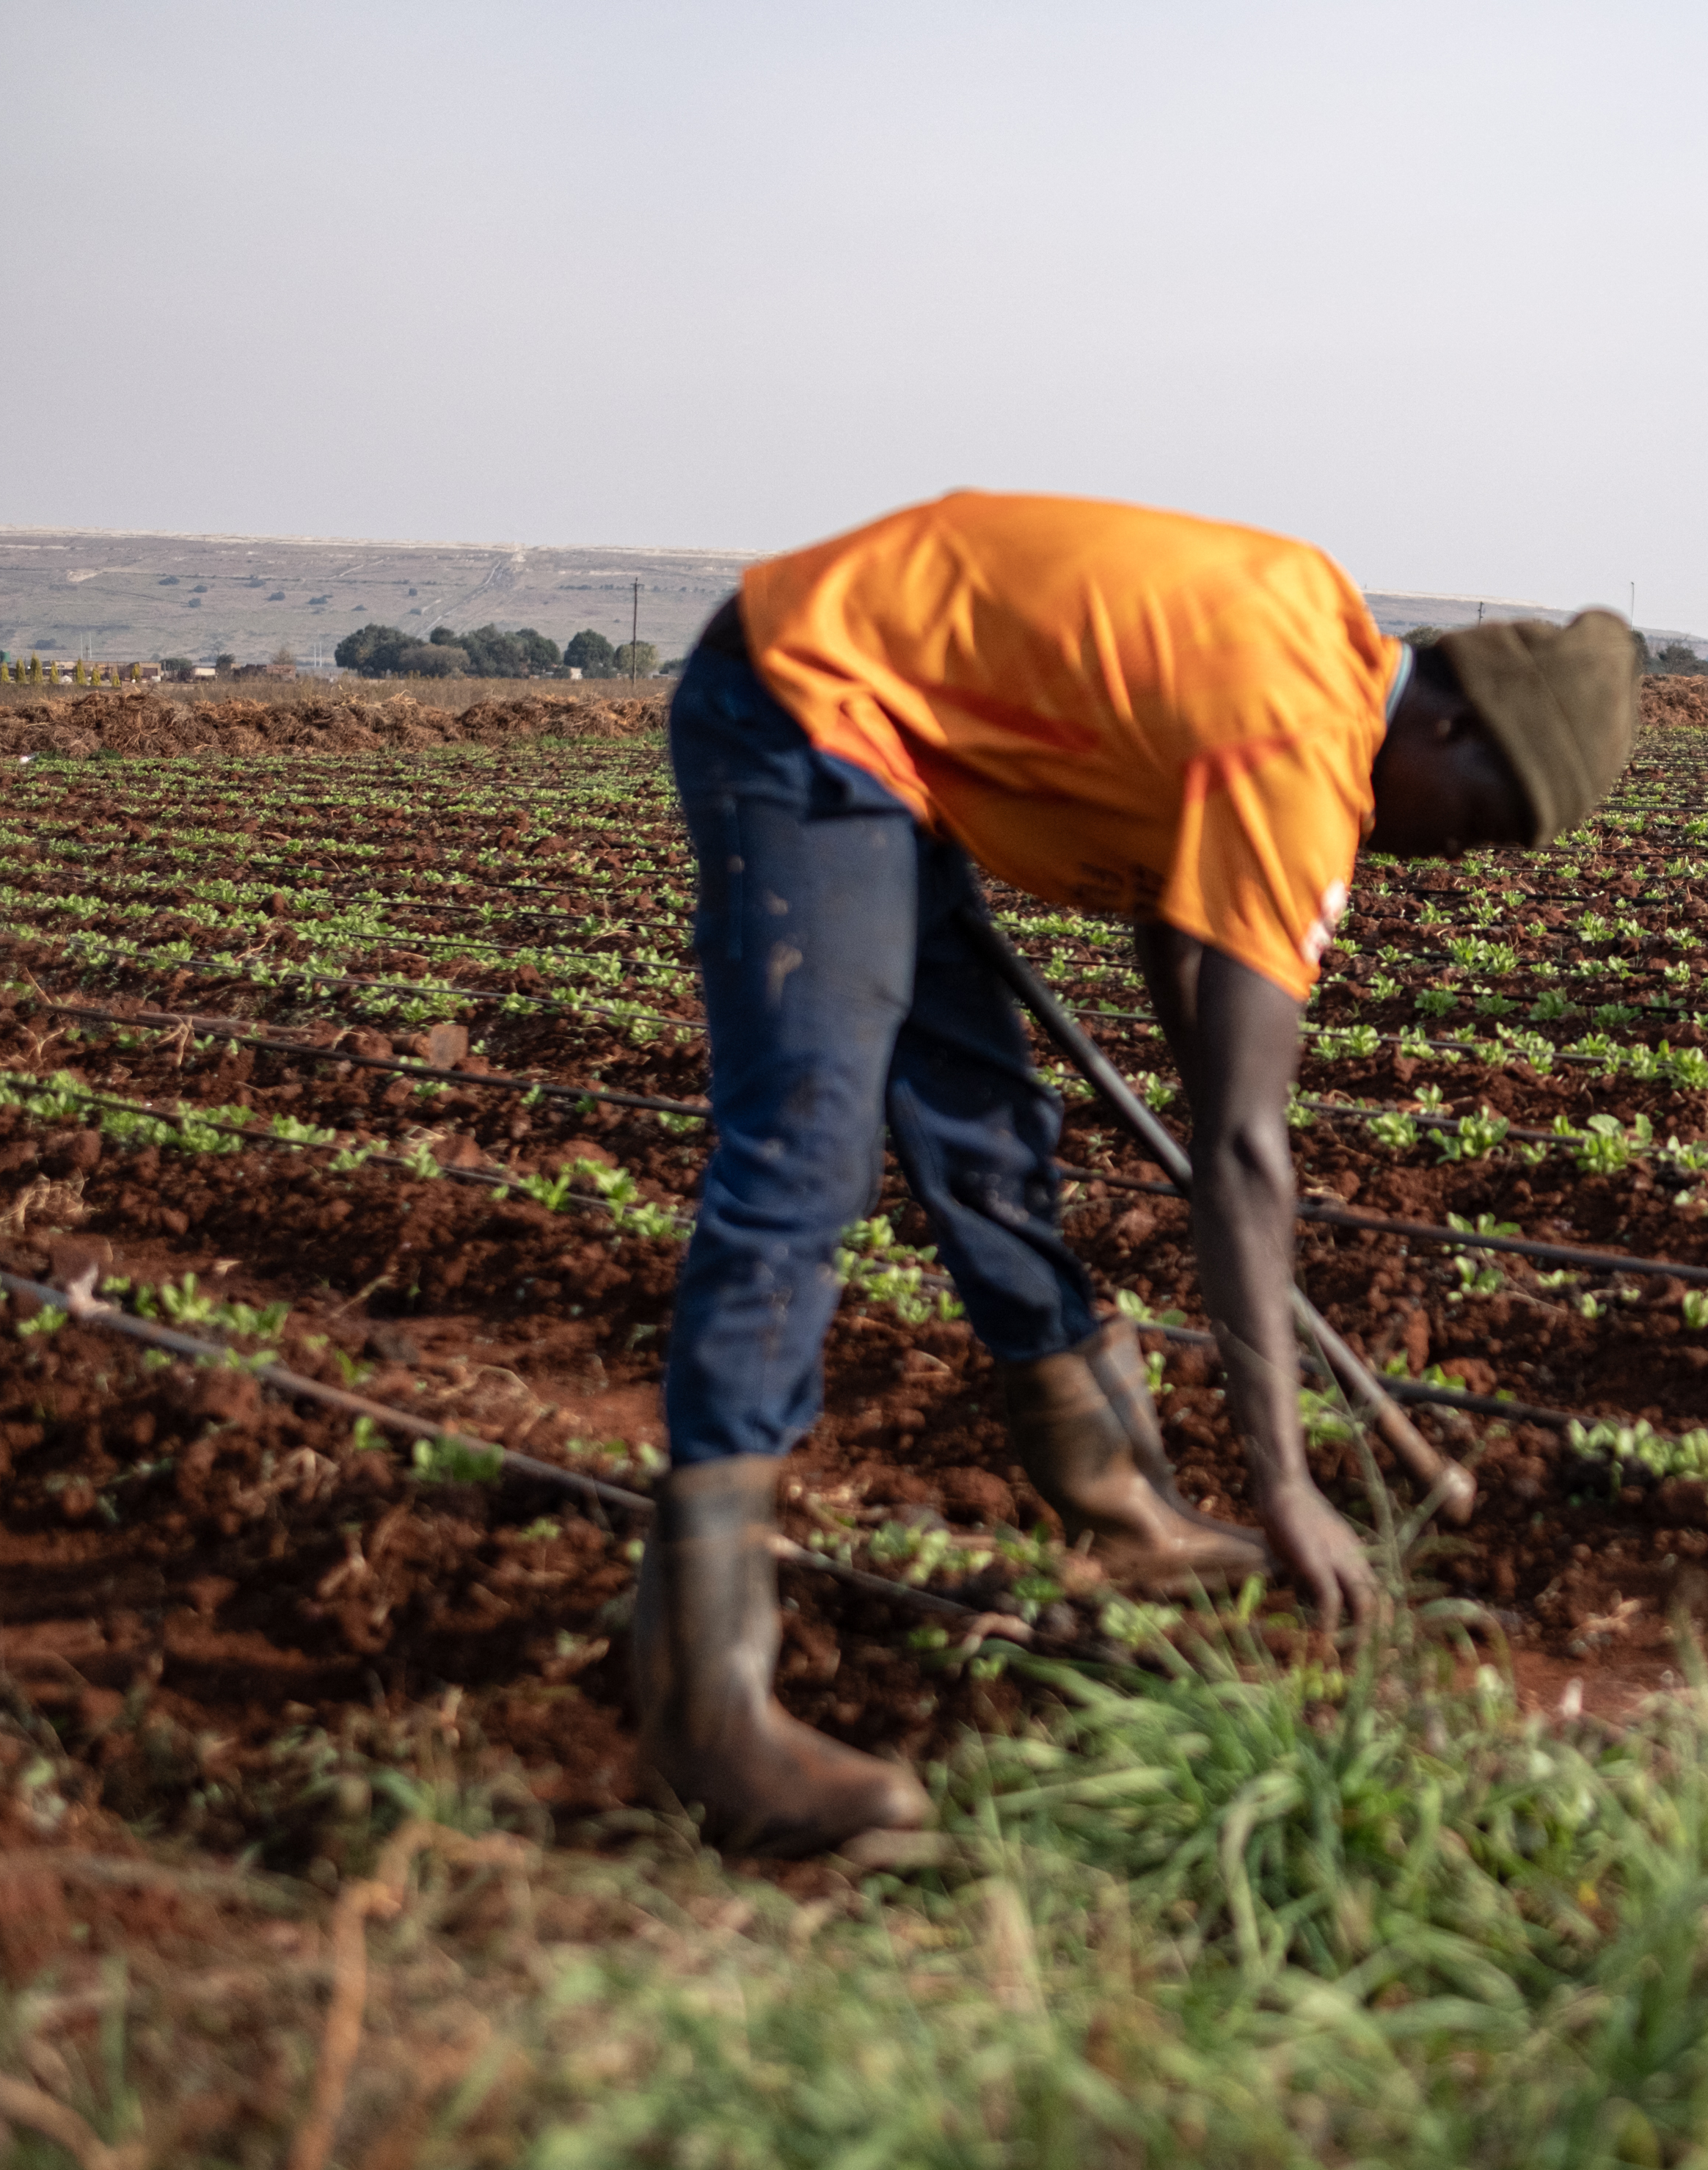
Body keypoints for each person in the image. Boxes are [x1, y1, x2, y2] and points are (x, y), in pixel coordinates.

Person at [646, 492, 1639, 1854]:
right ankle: (706, 1704)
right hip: (802, 693)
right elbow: (1242, 1148)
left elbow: (1189, 939)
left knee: (989, 1137)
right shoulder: (1303, 746)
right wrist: (1284, 1483)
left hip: (902, 728)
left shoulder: (1314, 638)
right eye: (1472, 822)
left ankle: (1120, 1508)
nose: (1447, 856)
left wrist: (1217, 1106)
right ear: (1450, 729)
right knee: (808, 1149)